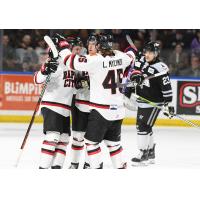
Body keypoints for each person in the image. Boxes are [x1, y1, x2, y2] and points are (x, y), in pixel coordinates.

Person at [58, 33, 135, 169]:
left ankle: (96, 168)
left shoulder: (95, 61)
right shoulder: (122, 58)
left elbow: (70, 61)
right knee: (113, 144)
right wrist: (131, 49)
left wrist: (63, 46)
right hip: (118, 111)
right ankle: (120, 166)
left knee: (91, 143)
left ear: (99, 46)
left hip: (101, 111)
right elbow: (131, 55)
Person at [124, 42, 174, 165]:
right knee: (146, 127)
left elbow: (167, 89)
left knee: (142, 127)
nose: (147, 54)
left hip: (154, 103)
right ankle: (150, 152)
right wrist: (128, 92)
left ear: (156, 53)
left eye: (150, 52)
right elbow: (134, 79)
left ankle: (143, 153)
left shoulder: (160, 68)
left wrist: (167, 105)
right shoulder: (142, 63)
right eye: (146, 52)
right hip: (142, 100)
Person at [34, 34, 75, 169]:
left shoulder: (73, 63)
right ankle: (43, 168)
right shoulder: (53, 62)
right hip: (52, 105)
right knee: (53, 137)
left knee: (64, 139)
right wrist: (45, 70)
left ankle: (56, 168)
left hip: (65, 107)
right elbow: (37, 79)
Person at [69, 35, 98, 169]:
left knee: (91, 140)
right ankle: (74, 164)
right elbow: (71, 80)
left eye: (94, 44)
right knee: (77, 137)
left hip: (95, 106)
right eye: (89, 44)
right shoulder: (81, 60)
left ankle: (88, 163)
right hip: (80, 103)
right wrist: (78, 82)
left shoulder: (102, 60)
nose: (91, 46)